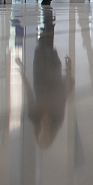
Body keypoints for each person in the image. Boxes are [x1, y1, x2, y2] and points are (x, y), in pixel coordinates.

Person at [16, 11, 73, 149]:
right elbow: (65, 93)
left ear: (38, 135)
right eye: (47, 139)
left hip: (40, 74)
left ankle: (47, 22)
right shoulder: (57, 118)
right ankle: (48, 21)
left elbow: (29, 93)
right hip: (54, 75)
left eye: (42, 139)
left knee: (41, 47)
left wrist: (21, 70)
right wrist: (69, 69)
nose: (45, 136)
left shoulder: (33, 116)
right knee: (49, 48)